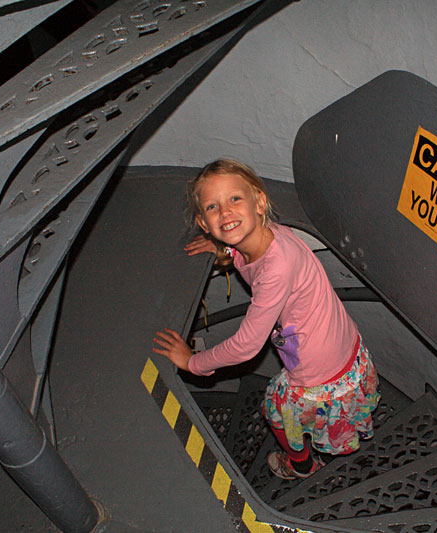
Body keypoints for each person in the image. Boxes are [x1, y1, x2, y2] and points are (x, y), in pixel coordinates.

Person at [153, 159, 380, 480]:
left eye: (235, 199)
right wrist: (223, 249)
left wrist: (193, 363)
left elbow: (246, 346)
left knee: (275, 409)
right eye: (213, 207)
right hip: (343, 345)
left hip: (320, 374)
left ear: (259, 202)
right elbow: (246, 252)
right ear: (204, 223)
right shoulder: (270, 234)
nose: (226, 213)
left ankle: (302, 465)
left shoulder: (277, 269)